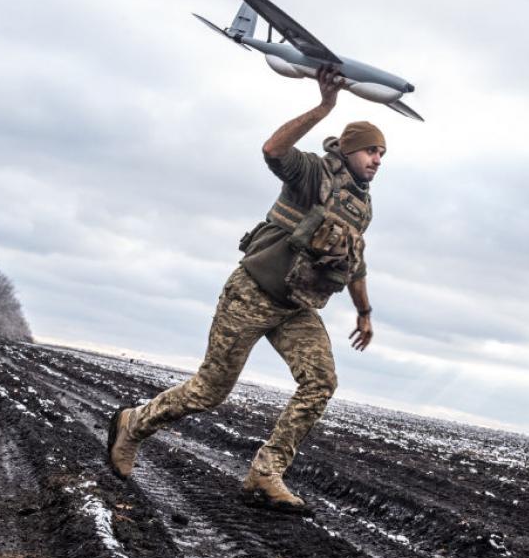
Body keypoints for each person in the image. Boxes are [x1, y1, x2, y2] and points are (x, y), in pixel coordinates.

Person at [107, 65, 384, 512]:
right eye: (371, 151)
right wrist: (325, 106)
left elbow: (355, 261)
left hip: (296, 307)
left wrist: (365, 312)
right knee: (209, 391)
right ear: (350, 150)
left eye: (381, 154)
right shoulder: (313, 174)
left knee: (320, 382)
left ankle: (265, 473)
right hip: (252, 293)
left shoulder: (361, 204)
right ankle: (133, 424)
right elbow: (274, 149)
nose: (376, 160)